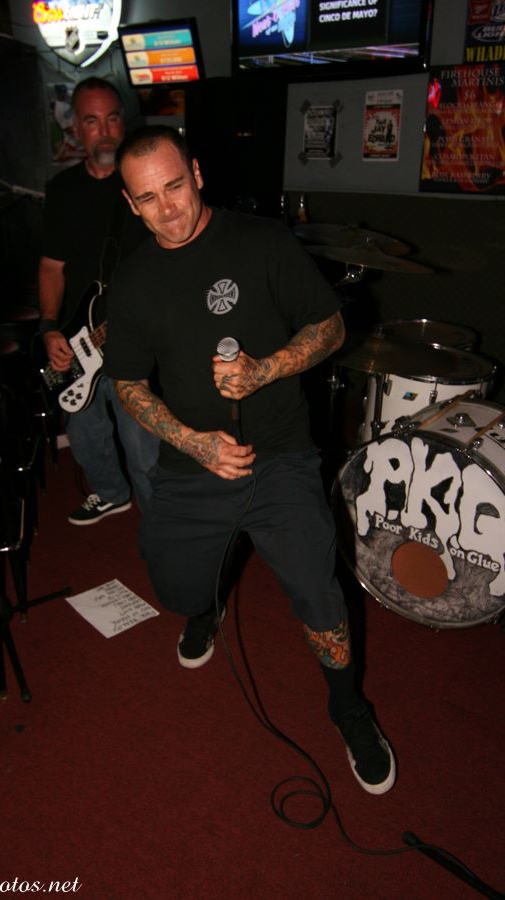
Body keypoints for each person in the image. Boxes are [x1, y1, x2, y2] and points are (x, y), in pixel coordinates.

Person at [103, 125, 396, 795]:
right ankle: (207, 602)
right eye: (147, 198)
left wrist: (266, 369)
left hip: (279, 452)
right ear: (130, 203)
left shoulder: (262, 241)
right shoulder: (135, 278)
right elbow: (128, 383)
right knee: (177, 591)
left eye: (174, 186)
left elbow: (330, 326)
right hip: (191, 462)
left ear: (197, 174)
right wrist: (194, 442)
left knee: (317, 588)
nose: (167, 208)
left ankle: (348, 707)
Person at [38, 77, 158, 524]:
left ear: (124, 122)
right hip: (80, 336)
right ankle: (110, 493)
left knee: (142, 442)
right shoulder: (63, 190)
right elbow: (52, 266)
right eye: (92, 121)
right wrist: (49, 327)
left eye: (112, 119)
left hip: (132, 334)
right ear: (75, 129)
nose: (105, 132)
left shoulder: (144, 181)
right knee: (84, 432)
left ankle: (161, 519)